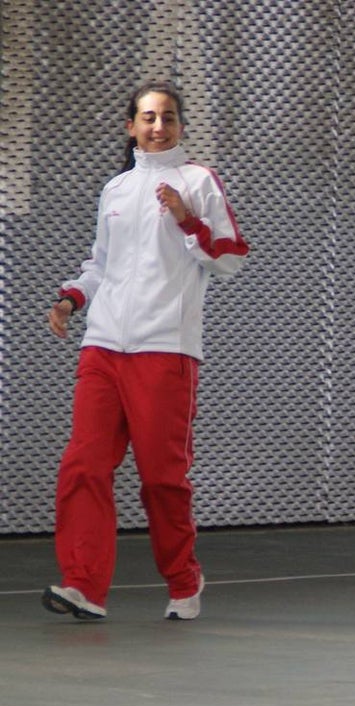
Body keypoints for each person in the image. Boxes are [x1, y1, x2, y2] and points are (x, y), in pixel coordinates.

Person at [41, 80, 249, 622]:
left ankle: (183, 579)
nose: (159, 126)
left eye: (169, 117)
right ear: (130, 126)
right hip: (103, 347)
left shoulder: (198, 182)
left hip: (165, 350)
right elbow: (101, 265)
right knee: (84, 465)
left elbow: (230, 257)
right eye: (149, 117)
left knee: (161, 479)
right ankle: (83, 585)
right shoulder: (115, 189)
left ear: (181, 126)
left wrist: (186, 219)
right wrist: (71, 299)